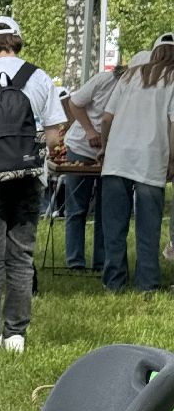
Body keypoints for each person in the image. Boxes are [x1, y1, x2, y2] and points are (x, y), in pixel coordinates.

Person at [0, 16, 66, 355]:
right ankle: (16, 335)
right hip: (30, 178)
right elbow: (53, 135)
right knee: (21, 257)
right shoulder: (39, 79)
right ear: (16, 42)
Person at [99, 41, 174, 294]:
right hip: (151, 158)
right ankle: (147, 284)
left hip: (117, 158)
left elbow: (107, 118)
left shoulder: (130, 75)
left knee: (114, 228)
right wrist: (172, 159)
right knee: (148, 229)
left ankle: (114, 283)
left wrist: (106, 146)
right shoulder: (173, 79)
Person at [62, 66, 122, 272]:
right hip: (80, 147)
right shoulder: (103, 80)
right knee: (77, 208)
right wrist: (89, 130)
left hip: (110, 152)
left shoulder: (133, 87)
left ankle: (101, 261)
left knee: (105, 210)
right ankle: (75, 261)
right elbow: (74, 103)